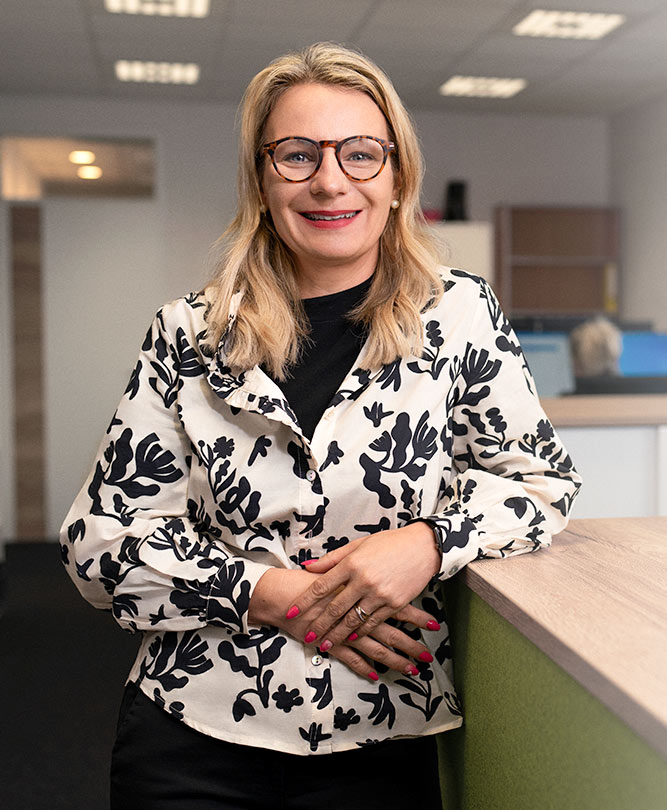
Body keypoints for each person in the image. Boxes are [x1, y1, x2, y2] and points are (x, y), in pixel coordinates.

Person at [59, 42, 581, 808]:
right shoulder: (189, 335)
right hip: (190, 737)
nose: (331, 180)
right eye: (297, 155)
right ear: (263, 180)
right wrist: (277, 596)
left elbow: (539, 483)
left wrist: (426, 543)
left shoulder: (460, 317)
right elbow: (99, 544)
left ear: (398, 177)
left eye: (361, 154)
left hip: (379, 731)